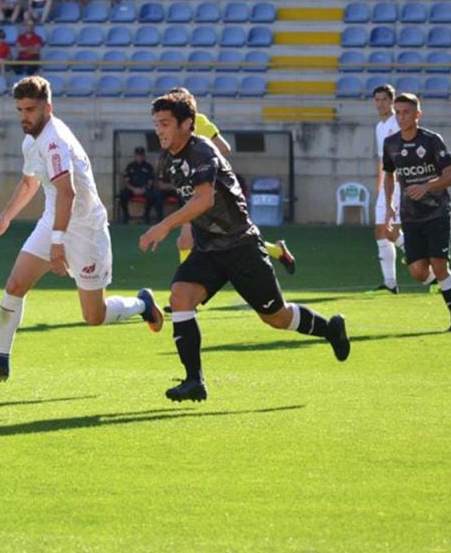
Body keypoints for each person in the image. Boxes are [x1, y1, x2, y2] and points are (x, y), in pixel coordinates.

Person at [139, 89, 350, 402]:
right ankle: (194, 380)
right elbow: (191, 201)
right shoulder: (168, 159)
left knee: (276, 317)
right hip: (208, 249)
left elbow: (204, 198)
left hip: (241, 247)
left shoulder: (202, 151)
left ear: (188, 123)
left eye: (166, 123)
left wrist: (165, 225)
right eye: (156, 123)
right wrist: (187, 228)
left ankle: (330, 329)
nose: (159, 130)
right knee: (181, 296)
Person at [0, 75, 161, 383]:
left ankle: (142, 304)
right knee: (16, 285)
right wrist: (5, 218)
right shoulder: (31, 139)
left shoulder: (54, 140)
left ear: (48, 107)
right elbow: (31, 181)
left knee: (93, 316)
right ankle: (0, 362)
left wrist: (58, 245)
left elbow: (67, 192)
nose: (24, 117)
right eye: (19, 110)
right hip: (53, 219)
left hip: (85, 229)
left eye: (30, 110)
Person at [382, 93, 451, 332]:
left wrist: (427, 186)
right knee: (419, 273)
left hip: (437, 212)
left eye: (406, 112)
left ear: (417, 114)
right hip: (410, 216)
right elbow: (389, 174)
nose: (401, 117)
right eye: (397, 113)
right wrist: (389, 203)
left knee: (439, 267)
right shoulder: (390, 144)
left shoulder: (431, 141)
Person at [187, 105, 296, 273]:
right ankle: (276, 251)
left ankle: (186, 288)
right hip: (196, 189)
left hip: (211, 189)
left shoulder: (198, 120)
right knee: (228, 237)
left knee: (187, 239)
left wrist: (201, 163)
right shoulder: (175, 129)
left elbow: (223, 147)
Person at [371, 84, 403, 294]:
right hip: (386, 184)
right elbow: (382, 159)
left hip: (399, 183)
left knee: (392, 232)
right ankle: (390, 282)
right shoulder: (379, 126)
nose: (380, 103)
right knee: (380, 232)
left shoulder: (398, 123)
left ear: (392, 101)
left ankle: (433, 273)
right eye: (377, 99)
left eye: (384, 99)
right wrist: (379, 182)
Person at [118, 146, 157, 223]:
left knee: (152, 195)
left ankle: (146, 216)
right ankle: (126, 216)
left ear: (144, 156)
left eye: (141, 156)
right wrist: (133, 189)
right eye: (138, 156)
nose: (139, 157)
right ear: (135, 156)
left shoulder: (148, 167)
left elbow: (150, 181)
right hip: (132, 189)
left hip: (144, 189)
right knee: (123, 194)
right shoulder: (130, 166)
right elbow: (126, 181)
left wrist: (143, 189)